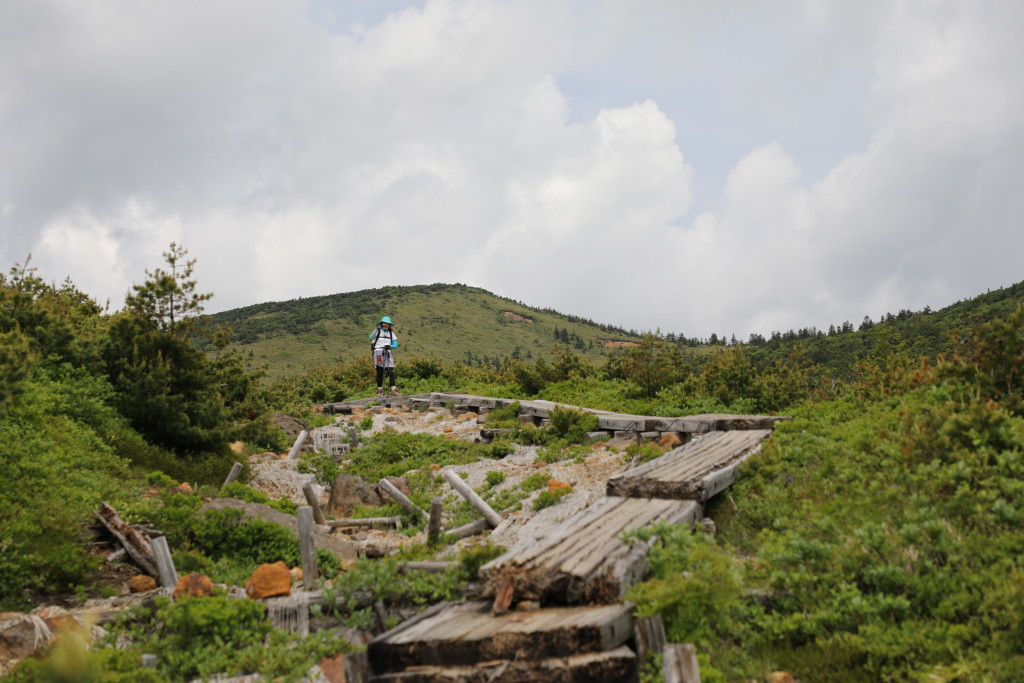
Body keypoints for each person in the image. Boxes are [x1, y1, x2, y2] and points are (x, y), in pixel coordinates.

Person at [369, 316, 399, 396]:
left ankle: (393, 389)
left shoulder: (391, 334)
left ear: (389, 325)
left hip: (387, 352)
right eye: (384, 323)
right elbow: (370, 337)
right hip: (378, 352)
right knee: (379, 372)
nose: (386, 324)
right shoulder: (378, 332)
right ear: (381, 323)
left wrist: (389, 346)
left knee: (391, 371)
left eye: (387, 323)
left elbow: (395, 345)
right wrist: (376, 329)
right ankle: (380, 390)